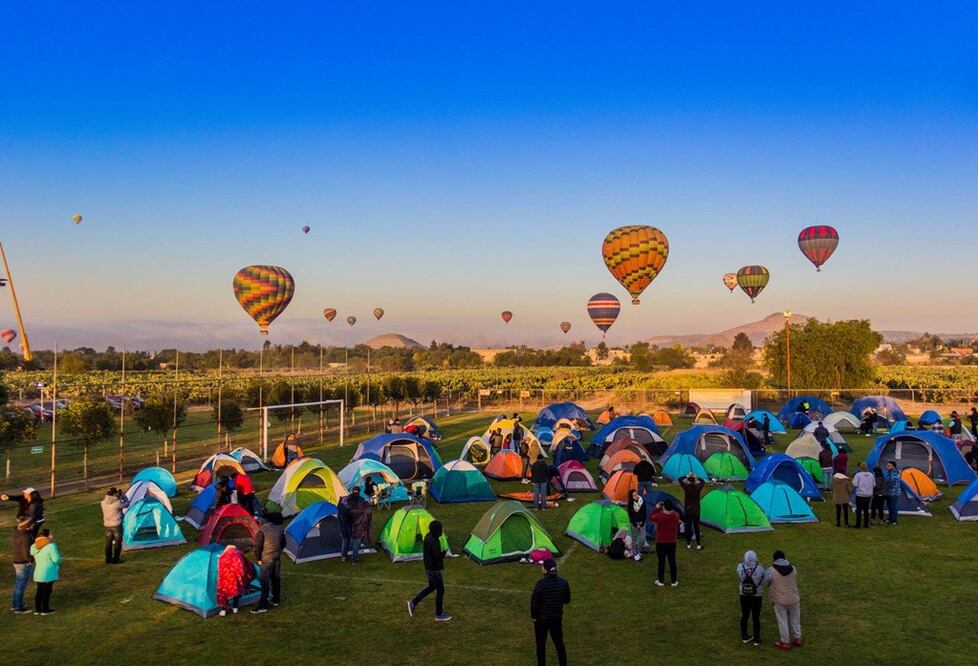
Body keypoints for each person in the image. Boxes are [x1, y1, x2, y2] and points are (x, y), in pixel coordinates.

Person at [407, 520, 452, 621]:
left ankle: (413, 602)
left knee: (431, 587)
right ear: (436, 530)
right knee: (440, 590)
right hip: (434, 570)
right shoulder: (435, 541)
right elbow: (437, 557)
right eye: (440, 529)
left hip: (428, 568)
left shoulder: (428, 536)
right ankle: (439, 614)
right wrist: (444, 553)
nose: (441, 531)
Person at [531, 558, 571, 666]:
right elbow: (567, 600)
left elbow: (534, 601)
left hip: (542, 620)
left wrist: (534, 616)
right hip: (556, 618)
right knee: (559, 643)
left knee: (541, 645)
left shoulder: (540, 584)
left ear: (545, 570)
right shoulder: (563, 582)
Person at [764, 550, 801, 650]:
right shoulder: (793, 568)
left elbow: (765, 581)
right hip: (794, 599)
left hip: (779, 600)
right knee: (795, 619)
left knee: (782, 621)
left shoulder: (771, 570)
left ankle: (785, 642)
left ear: (774, 559)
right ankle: (797, 638)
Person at [251, 512, 285, 613]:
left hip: (266, 560)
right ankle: (276, 599)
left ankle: (262, 606)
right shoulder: (279, 529)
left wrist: (259, 559)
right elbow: (283, 543)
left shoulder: (262, 531)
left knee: (264, 583)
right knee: (276, 580)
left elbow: (257, 548)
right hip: (276, 558)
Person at [649, 499, 680, 586]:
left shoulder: (660, 516)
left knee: (661, 561)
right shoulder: (676, 515)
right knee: (672, 560)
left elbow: (651, 517)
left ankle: (661, 581)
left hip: (661, 542)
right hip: (672, 541)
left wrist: (657, 508)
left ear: (664, 506)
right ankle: (673, 581)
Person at [737, 550, 766, 646]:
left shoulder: (739, 567)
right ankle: (757, 638)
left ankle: (744, 635)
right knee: (756, 617)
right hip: (757, 596)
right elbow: (765, 579)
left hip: (743, 595)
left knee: (744, 615)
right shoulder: (760, 568)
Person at [216, 544, 254, 616]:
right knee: (236, 590)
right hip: (236, 576)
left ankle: (223, 610)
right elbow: (246, 564)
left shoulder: (222, 556)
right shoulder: (239, 554)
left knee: (223, 592)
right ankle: (235, 607)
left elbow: (219, 569)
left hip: (225, 578)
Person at [30, 528, 61, 616]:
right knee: (47, 591)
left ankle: (38, 609)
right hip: (48, 572)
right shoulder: (51, 546)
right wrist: (58, 564)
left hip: (38, 572)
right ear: (47, 536)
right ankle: (45, 609)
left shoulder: (34, 546)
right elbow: (57, 559)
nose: (52, 535)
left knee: (39, 590)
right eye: (51, 534)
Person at [342, 487, 372, 563]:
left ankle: (343, 556)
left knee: (345, 539)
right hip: (357, 526)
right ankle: (354, 559)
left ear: (352, 491)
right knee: (356, 541)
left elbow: (340, 513)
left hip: (346, 525)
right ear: (359, 492)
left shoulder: (344, 500)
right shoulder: (362, 502)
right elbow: (367, 514)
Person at [100, 487, 128, 564]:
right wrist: (123, 496)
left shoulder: (103, 503)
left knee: (108, 543)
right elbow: (126, 504)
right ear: (114, 494)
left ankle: (108, 559)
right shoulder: (117, 503)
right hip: (116, 525)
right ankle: (116, 559)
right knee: (118, 543)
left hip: (107, 525)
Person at [11, 523, 34, 613]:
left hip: (16, 561)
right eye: (31, 525)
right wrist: (30, 560)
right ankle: (19, 607)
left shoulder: (16, 533)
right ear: (27, 527)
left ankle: (15, 604)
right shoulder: (26, 537)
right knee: (21, 585)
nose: (32, 526)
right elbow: (25, 552)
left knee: (18, 584)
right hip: (23, 563)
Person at [678, 472, 705, 550]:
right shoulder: (698, 487)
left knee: (688, 526)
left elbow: (680, 479)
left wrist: (687, 475)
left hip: (688, 508)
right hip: (696, 508)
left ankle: (688, 544)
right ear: (694, 481)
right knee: (696, 527)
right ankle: (698, 545)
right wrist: (697, 477)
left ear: (688, 481)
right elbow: (703, 481)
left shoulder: (686, 487)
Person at [852, 462, 875, 528]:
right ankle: (866, 524)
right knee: (866, 510)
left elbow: (855, 484)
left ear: (860, 468)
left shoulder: (858, 475)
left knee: (859, 510)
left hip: (860, 494)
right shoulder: (871, 475)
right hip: (868, 494)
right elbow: (874, 484)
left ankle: (858, 524)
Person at [626, 489, 646, 561]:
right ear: (631, 497)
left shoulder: (642, 501)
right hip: (634, 523)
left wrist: (642, 523)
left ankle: (638, 551)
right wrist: (635, 524)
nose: (636, 496)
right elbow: (630, 516)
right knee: (634, 539)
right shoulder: (630, 504)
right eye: (634, 495)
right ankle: (635, 554)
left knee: (642, 539)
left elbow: (645, 513)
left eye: (636, 494)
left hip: (642, 523)